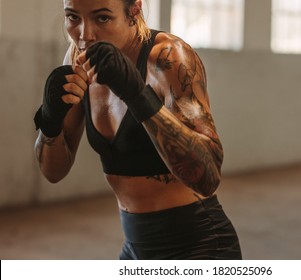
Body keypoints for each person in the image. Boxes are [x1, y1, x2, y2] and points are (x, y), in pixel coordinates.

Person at [33, 0, 242, 260]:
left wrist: (137, 96)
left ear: (134, 10)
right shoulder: (78, 60)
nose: (85, 35)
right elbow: (53, 172)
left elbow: (207, 178)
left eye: (102, 18)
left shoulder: (169, 57)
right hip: (136, 247)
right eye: (73, 18)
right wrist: (50, 122)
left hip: (199, 245)